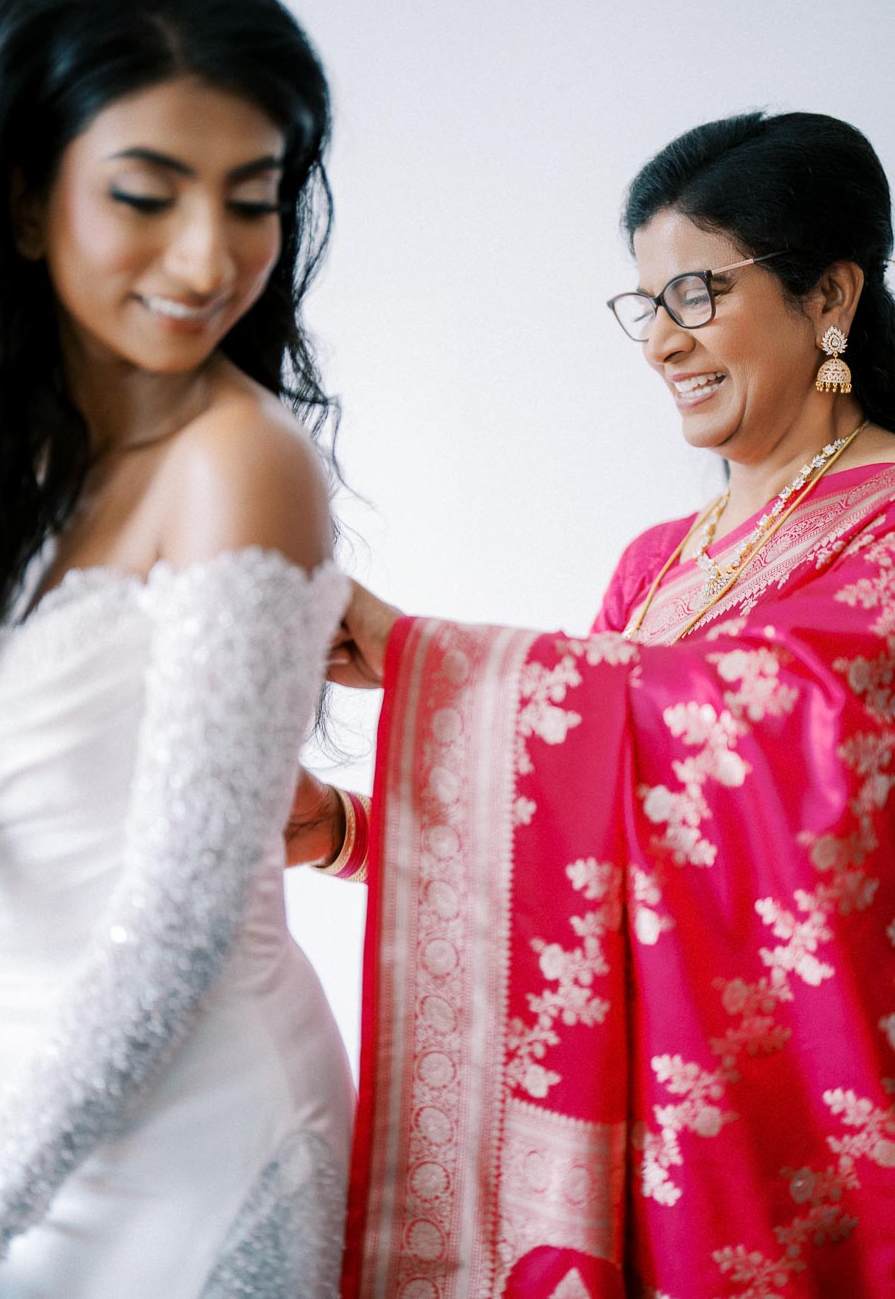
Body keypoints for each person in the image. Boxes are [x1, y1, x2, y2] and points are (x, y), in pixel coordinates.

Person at [290, 112, 895, 1296]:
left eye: (697, 294)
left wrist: (429, 658)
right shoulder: (657, 562)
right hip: (639, 1119)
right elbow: (598, 824)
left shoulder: (887, 522)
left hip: (791, 1115)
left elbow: (817, 743)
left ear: (830, 295)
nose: (662, 343)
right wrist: (357, 833)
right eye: (645, 305)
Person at [0, 0, 355, 1293]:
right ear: (27, 199)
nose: (210, 260)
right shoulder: (27, 456)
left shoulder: (241, 466)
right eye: (147, 196)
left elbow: (172, 933)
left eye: (253, 202)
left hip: (189, 1144)